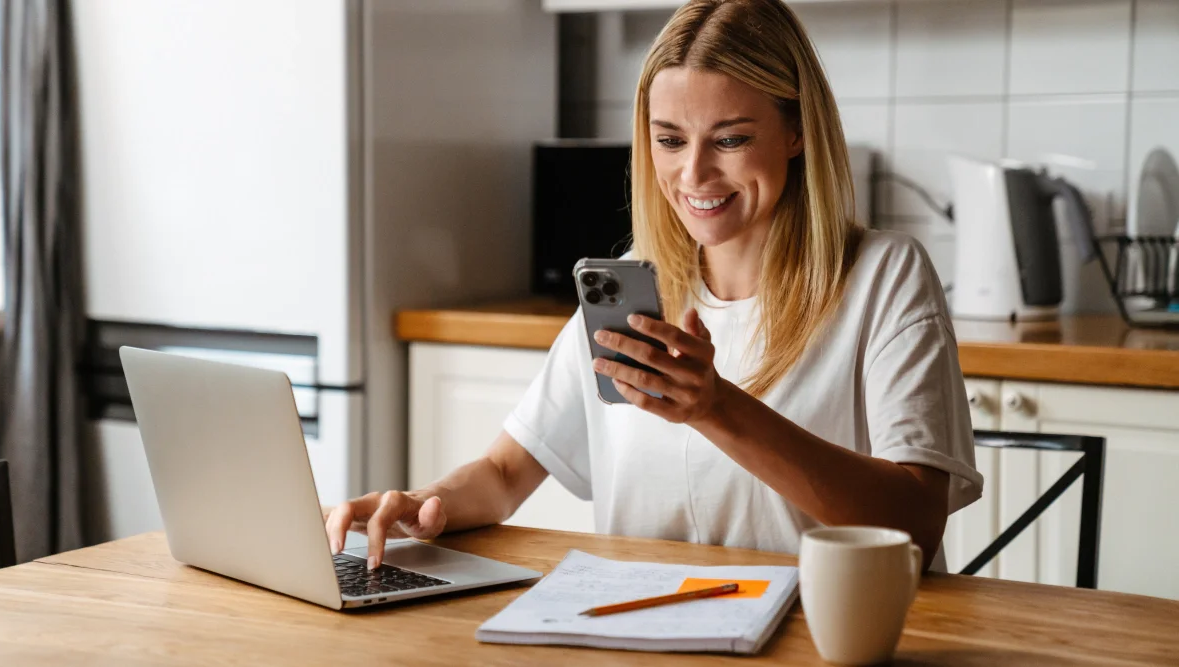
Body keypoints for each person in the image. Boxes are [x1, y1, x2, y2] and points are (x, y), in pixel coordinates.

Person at [325, 0, 982, 573]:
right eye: (669, 139)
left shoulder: (883, 276)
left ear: (796, 132)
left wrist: (718, 407)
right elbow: (501, 475)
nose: (694, 174)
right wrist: (421, 504)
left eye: (729, 138)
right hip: (646, 632)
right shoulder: (636, 284)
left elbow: (914, 527)